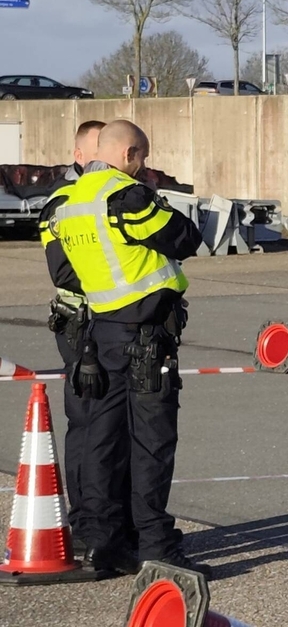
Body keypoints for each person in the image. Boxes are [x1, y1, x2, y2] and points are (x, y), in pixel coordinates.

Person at [38, 119, 208, 578]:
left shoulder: (66, 204)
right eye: (143, 158)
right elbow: (186, 238)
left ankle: (102, 542)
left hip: (100, 332)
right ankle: (155, 545)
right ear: (129, 153)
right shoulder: (126, 197)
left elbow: (65, 275)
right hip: (146, 335)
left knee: (99, 439)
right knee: (151, 443)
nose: (145, 167)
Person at [38, 119, 139, 557]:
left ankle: (103, 522)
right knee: (94, 428)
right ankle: (91, 524)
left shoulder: (94, 197)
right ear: (81, 155)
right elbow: (65, 272)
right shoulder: (65, 201)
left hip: (101, 323)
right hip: (84, 326)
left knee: (103, 428)